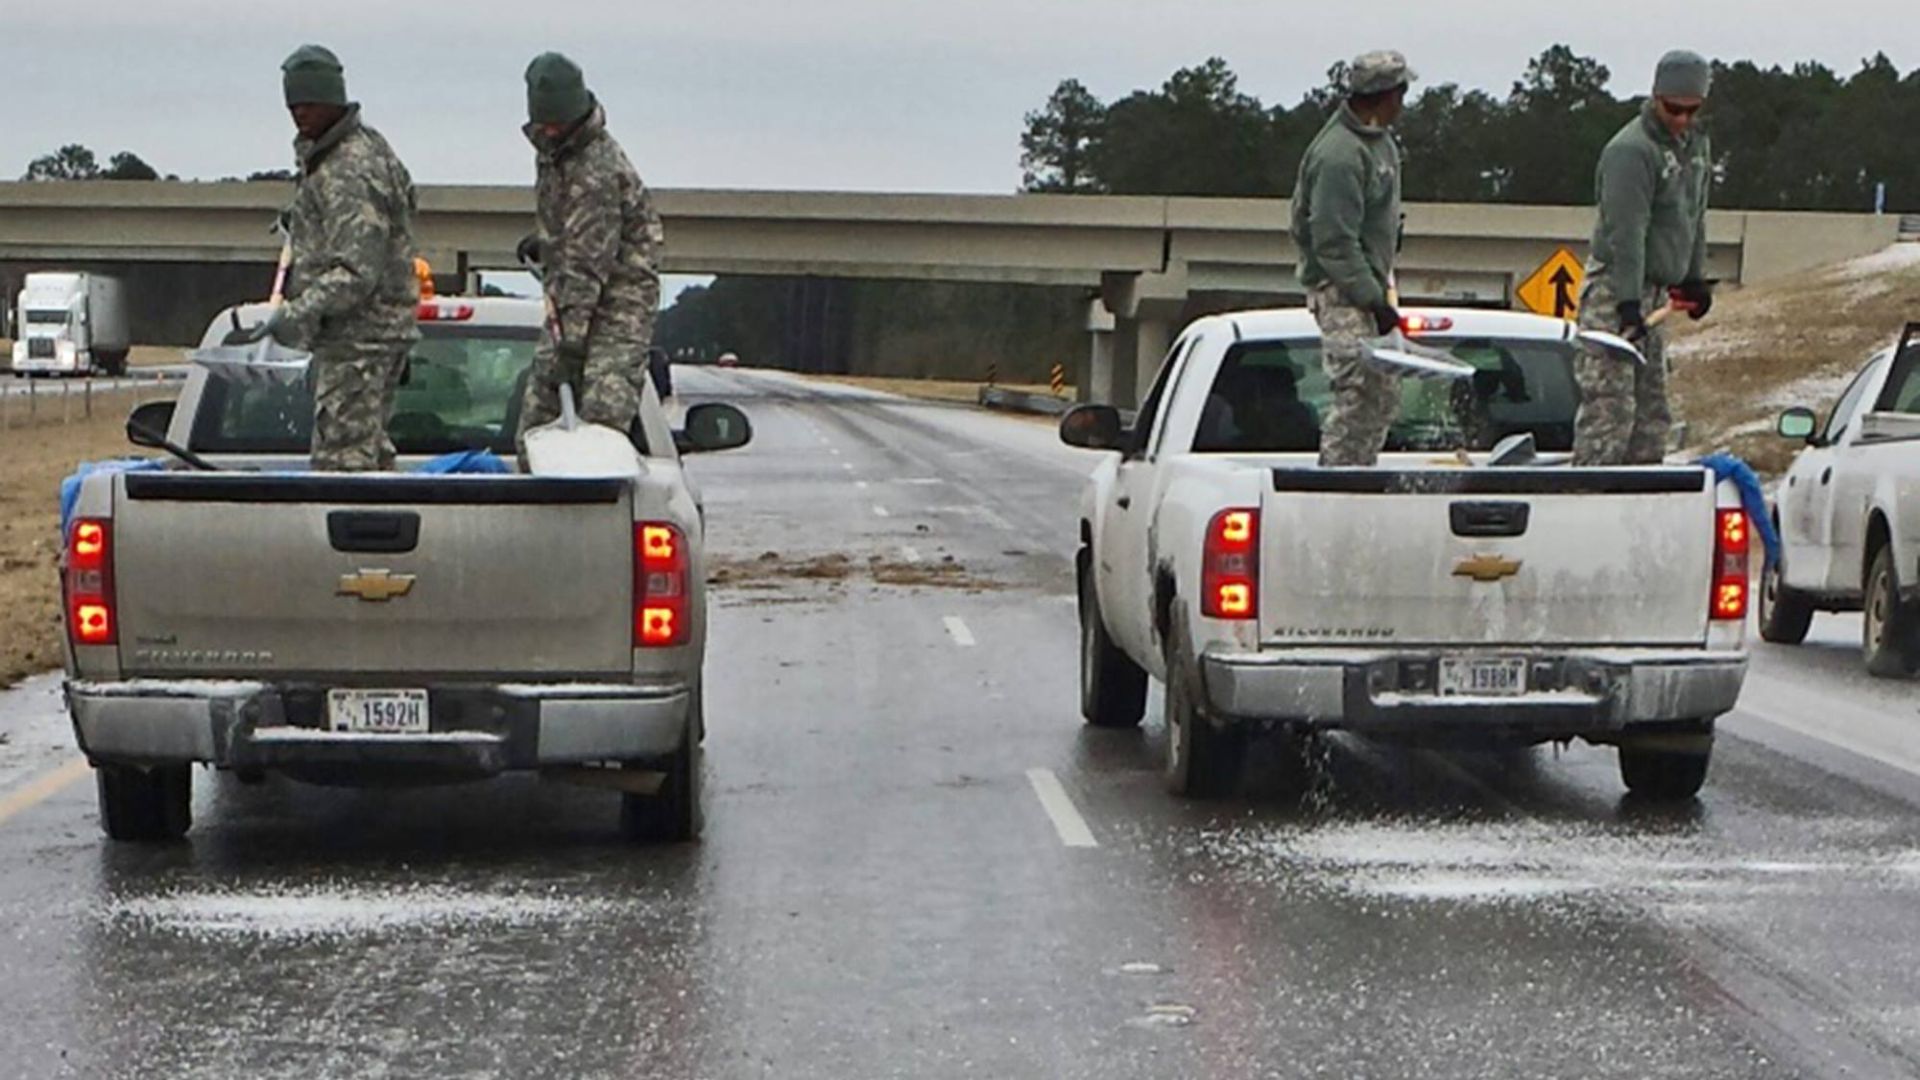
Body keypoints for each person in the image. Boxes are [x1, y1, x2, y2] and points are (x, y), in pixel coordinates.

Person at [231, 45, 420, 471]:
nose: (299, 114)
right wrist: (305, 220)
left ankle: (359, 537)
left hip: (361, 338)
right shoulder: (350, 152)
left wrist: (296, 313)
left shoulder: (347, 167)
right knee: (366, 451)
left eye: (309, 104)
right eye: (292, 105)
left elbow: (357, 270)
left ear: (333, 100)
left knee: (343, 461)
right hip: (365, 334)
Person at [514, 53, 664, 453]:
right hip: (569, 298)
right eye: (544, 121)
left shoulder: (596, 168)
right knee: (537, 424)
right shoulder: (553, 151)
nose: (549, 128)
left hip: (619, 303)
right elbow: (572, 234)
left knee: (602, 419)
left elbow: (586, 262)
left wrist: (571, 344)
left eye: (557, 121)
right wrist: (546, 244)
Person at [1573, 49, 1715, 465]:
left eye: (1692, 110)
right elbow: (1627, 233)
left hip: (1657, 293)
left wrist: (1693, 277)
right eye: (1674, 109)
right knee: (1610, 410)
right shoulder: (1630, 151)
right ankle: (1589, 503)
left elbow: (1694, 216)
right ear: (1656, 97)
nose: (1682, 120)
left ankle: (1638, 498)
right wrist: (1627, 304)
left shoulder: (1695, 147)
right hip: (1615, 288)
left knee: (1653, 414)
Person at [1291, 50, 1417, 466]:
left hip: (1373, 285)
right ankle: (1336, 479)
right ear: (1384, 95)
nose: (1403, 102)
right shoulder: (1339, 155)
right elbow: (1333, 241)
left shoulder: (1380, 144)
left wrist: (1382, 293)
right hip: (1341, 289)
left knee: (1383, 392)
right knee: (1357, 389)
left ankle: (1361, 472)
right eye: (1401, 92)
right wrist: (1372, 299)